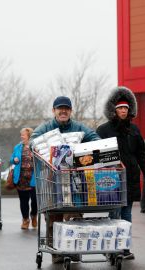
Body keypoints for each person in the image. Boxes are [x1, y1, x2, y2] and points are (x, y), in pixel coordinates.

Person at [30, 95, 100, 263]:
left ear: (70, 111)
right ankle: (56, 251)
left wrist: (87, 149)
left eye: (66, 109)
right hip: (52, 178)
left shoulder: (78, 127)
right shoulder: (46, 128)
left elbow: (95, 137)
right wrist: (39, 148)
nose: (63, 111)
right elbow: (33, 140)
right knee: (54, 213)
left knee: (74, 213)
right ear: (54, 111)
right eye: (60, 108)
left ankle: (74, 249)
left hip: (74, 178)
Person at [96, 86, 145, 260]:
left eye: (125, 108)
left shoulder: (134, 130)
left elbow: (142, 154)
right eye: (120, 108)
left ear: (129, 110)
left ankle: (124, 247)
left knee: (127, 213)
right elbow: (96, 153)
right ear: (114, 109)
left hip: (130, 176)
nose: (123, 110)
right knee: (113, 213)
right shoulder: (103, 130)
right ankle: (111, 247)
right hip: (109, 177)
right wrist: (111, 162)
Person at [10, 127, 37, 230]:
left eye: (23, 135)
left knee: (35, 201)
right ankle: (25, 219)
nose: (21, 136)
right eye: (21, 134)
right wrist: (14, 160)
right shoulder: (17, 147)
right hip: (21, 178)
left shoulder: (35, 147)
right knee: (23, 201)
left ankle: (34, 215)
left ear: (29, 136)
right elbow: (12, 159)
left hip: (34, 178)